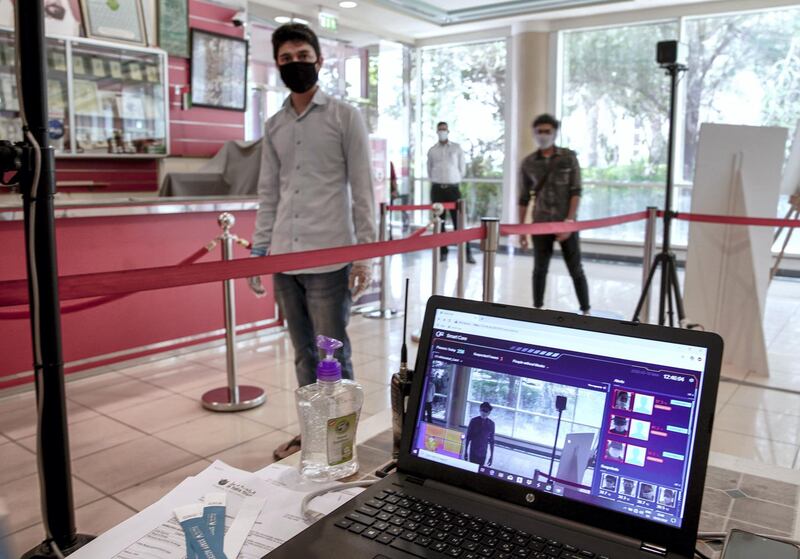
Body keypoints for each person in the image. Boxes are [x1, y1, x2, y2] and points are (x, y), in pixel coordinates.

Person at [248, 23, 376, 460]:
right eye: (285, 59)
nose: (295, 64)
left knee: (333, 355)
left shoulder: (344, 116)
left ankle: (342, 440)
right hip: (286, 256)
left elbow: (363, 190)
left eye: (303, 55)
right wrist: (259, 249)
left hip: (329, 257)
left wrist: (364, 256)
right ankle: (312, 435)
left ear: (319, 61)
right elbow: (270, 192)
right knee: (303, 357)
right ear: (278, 66)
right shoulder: (275, 124)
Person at [518, 114, 590, 314]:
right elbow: (524, 198)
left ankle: (586, 310)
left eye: (547, 131)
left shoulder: (568, 157)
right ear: (534, 133)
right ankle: (538, 310)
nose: (543, 135)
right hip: (540, 223)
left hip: (567, 223)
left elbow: (576, 191)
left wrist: (569, 221)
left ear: (555, 133)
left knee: (575, 268)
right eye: (539, 131)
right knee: (539, 269)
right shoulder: (528, 163)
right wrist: (522, 230)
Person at [427, 122, 475, 263]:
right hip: (437, 189)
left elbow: (462, 169)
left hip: (453, 189)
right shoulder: (432, 150)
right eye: (440, 130)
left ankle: (467, 253)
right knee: (439, 223)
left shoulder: (456, 148)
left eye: (444, 130)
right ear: (437, 132)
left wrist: (453, 179)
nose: (442, 132)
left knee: (459, 222)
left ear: (448, 131)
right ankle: (443, 252)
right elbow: (429, 169)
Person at [463, 402, 495, 466]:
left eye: (486, 411)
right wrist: (465, 451)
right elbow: (468, 437)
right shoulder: (473, 421)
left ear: (489, 413)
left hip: (483, 452)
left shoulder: (491, 424)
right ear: (480, 410)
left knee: (480, 470)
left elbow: (492, 441)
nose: (484, 413)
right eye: (482, 410)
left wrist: (491, 456)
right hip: (473, 451)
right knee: (471, 468)